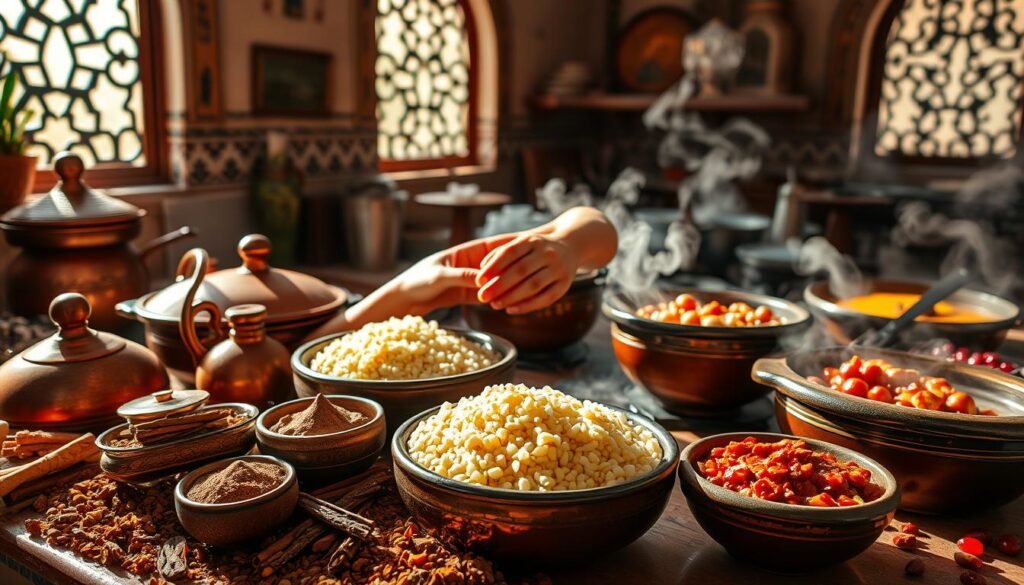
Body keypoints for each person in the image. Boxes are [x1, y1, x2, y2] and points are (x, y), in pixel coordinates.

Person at [307, 206, 617, 339]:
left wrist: (567, 244)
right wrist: (405, 295)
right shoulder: (265, 370)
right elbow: (286, 365)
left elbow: (601, 230)